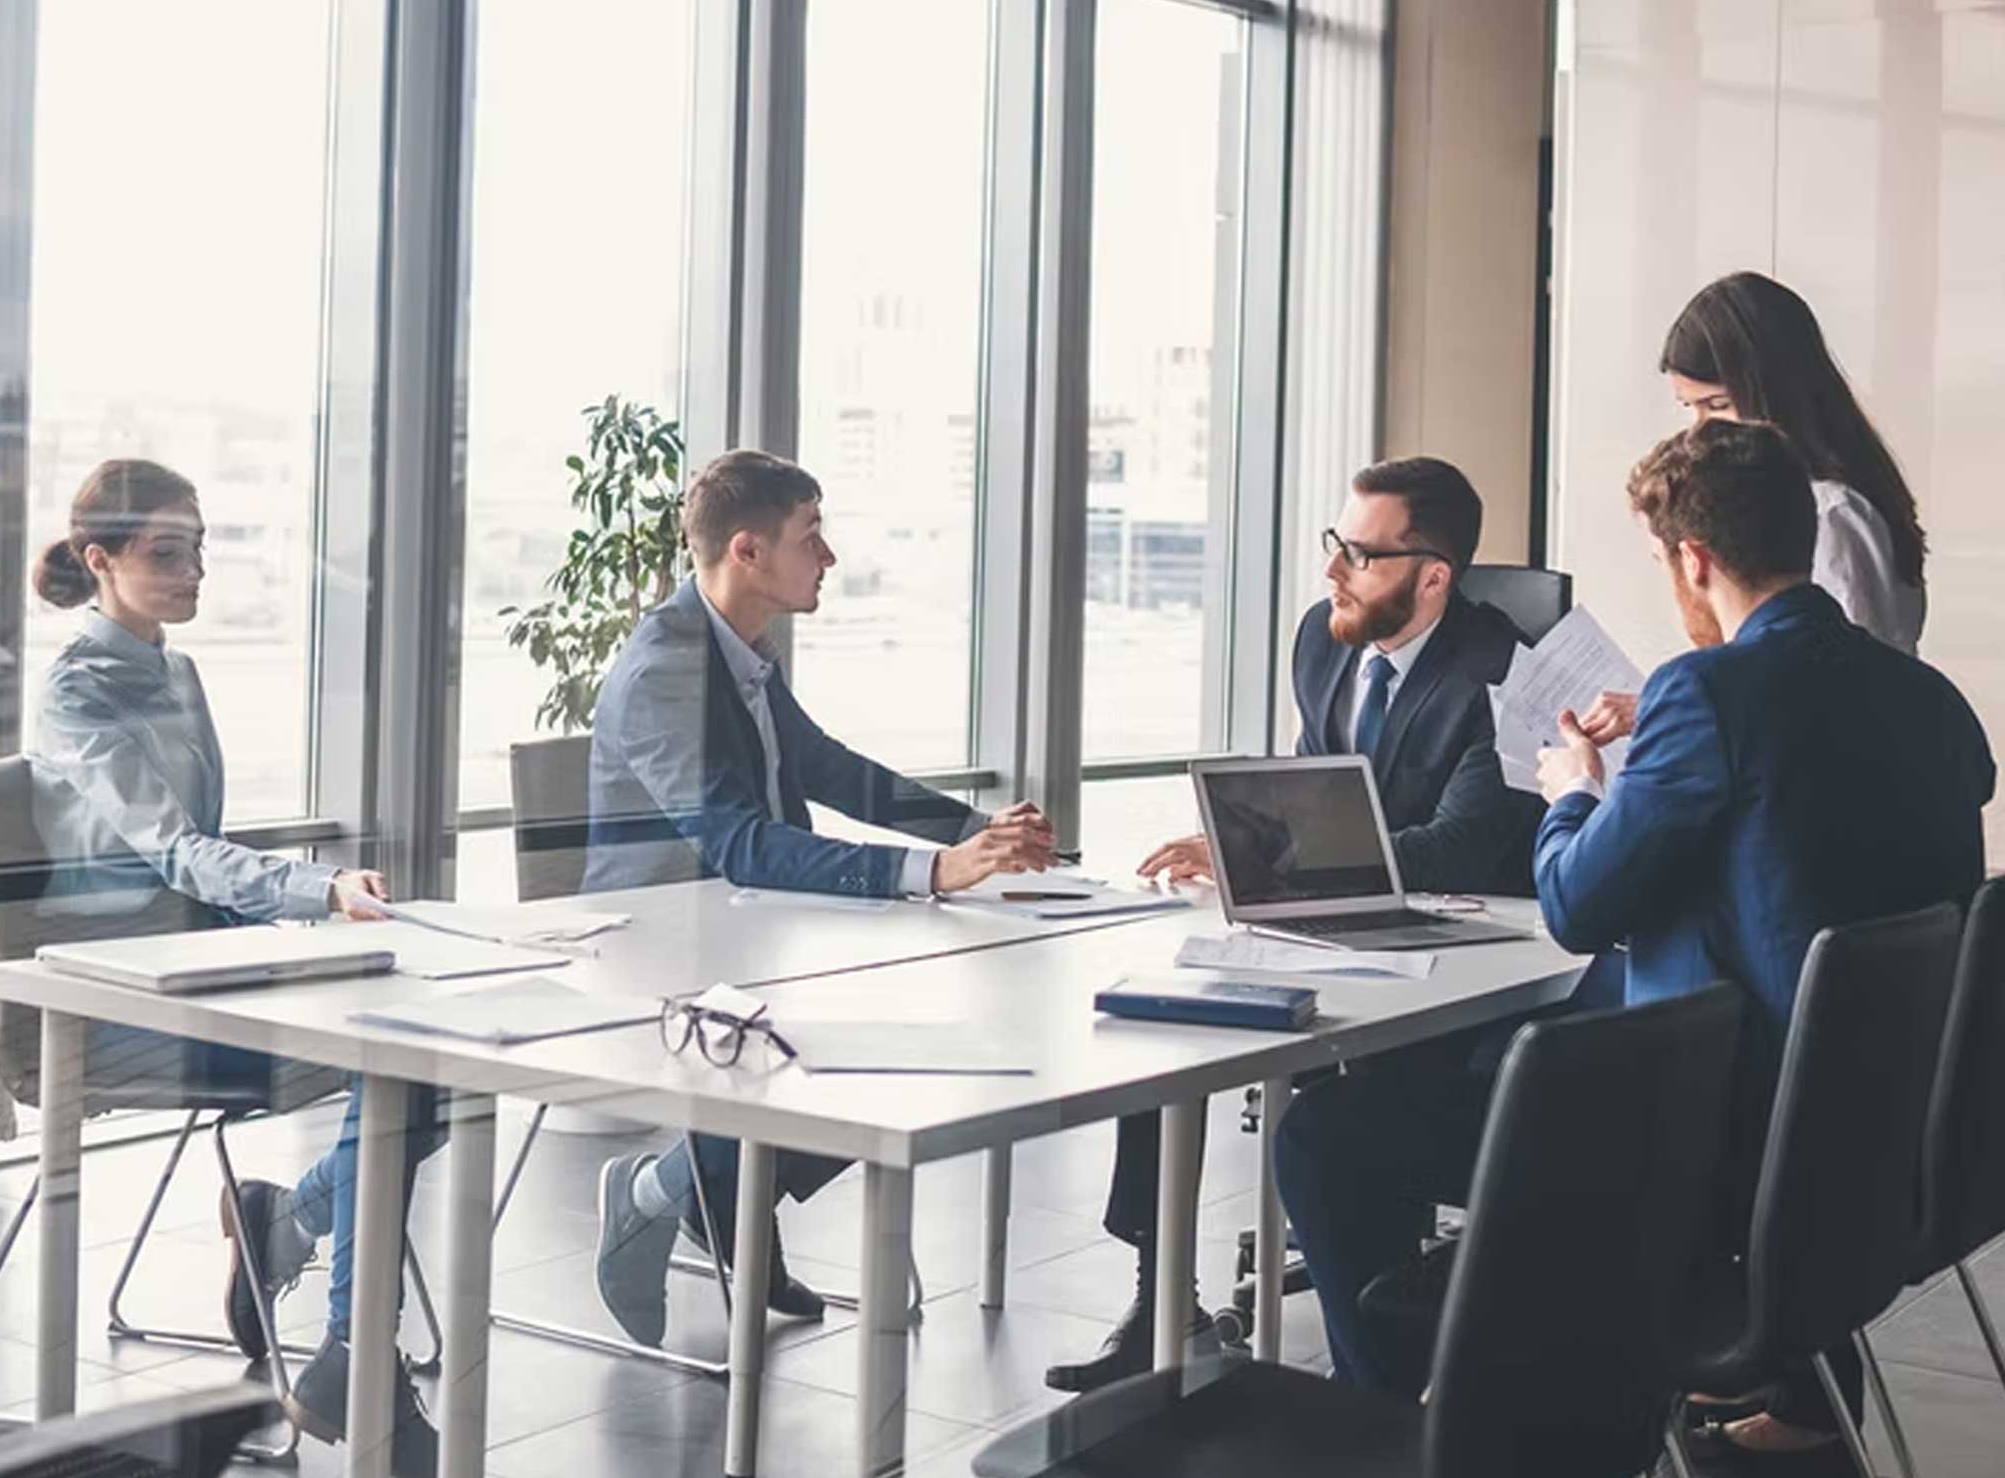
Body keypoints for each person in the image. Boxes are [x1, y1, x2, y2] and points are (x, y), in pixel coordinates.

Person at [1273, 418, 1991, 1410]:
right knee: (1481, 1052)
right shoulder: (1927, 696)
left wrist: (1573, 789)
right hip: (1870, 1134)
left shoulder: (1704, 692)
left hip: (1713, 1133)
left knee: (1327, 1134)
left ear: (1691, 560)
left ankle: (1397, 1447)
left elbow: (1572, 903)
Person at [1046, 456, 1544, 1392]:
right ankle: (1166, 1306)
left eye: (1360, 554)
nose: (1332, 573)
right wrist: (1243, 845)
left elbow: (1459, 846)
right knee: (1170, 1017)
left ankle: (1388, 1358)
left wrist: (1276, 859)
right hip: (1330, 921)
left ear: (1433, 575)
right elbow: (1318, 793)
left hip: (1462, 953)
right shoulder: (1325, 637)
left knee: (1347, 1125)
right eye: (1335, 545)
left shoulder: (1504, 674)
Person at [584, 448, 1057, 1347]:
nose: (830, 557)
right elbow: (737, 842)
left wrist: (974, 832)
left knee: (886, 1045)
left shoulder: (740, 653)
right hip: (660, 949)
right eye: (813, 536)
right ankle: (662, 1192)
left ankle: (708, 1197)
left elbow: (825, 767)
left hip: (744, 931)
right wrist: (928, 874)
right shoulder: (664, 670)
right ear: (750, 553)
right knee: (857, 1055)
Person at [29, 459, 444, 1478]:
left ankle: (291, 1226)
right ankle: (351, 1348)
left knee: (425, 1058)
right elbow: (174, 848)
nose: (195, 570)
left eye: (199, 547)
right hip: (117, 999)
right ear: (101, 560)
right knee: (394, 1069)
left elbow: (201, 853)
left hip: (205, 966)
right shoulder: (76, 691)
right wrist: (316, 888)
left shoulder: (177, 670)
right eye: (167, 553)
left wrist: (300, 915)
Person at [1577, 271, 1929, 747]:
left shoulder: (1832, 514)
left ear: (1772, 391)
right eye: (1690, 409)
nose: (1698, 432)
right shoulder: (1805, 503)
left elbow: (1844, 694)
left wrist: (1678, 708)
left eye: (1716, 405)